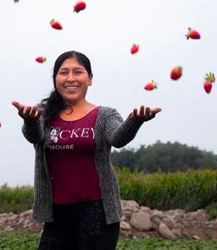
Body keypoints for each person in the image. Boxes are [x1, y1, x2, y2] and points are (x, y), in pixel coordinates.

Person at [12, 50, 161, 250]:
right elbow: (34, 136)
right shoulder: (43, 113)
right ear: (55, 79)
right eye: (63, 72)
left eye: (78, 72)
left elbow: (118, 138)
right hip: (57, 213)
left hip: (98, 212)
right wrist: (30, 121)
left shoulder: (105, 115)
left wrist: (135, 121)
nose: (70, 78)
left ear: (89, 79)